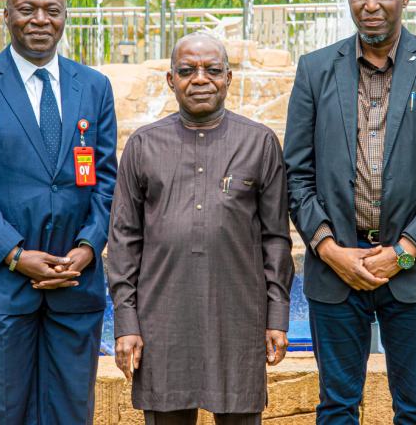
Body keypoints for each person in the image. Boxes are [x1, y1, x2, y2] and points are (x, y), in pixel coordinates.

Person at [283, 0, 416, 423]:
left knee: (415, 411)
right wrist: (329, 249)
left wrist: (405, 251)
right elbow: (295, 174)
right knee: (335, 408)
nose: (370, 4)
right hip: (335, 274)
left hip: (412, 275)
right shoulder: (314, 70)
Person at [0, 0, 117, 425]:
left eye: (51, 11)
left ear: (64, 18)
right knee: (4, 414)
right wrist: (16, 255)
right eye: (27, 9)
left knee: (72, 414)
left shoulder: (93, 86)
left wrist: (86, 248)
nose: (40, 19)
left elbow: (107, 179)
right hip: (5, 286)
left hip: (76, 284)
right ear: (6, 16)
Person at [108, 33, 294, 425]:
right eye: (187, 70)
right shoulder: (143, 146)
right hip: (163, 323)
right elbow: (124, 243)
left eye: (212, 70)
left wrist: (276, 316)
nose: (200, 79)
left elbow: (276, 239)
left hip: (238, 322)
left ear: (229, 78)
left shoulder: (259, 143)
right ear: (170, 80)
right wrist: (127, 323)